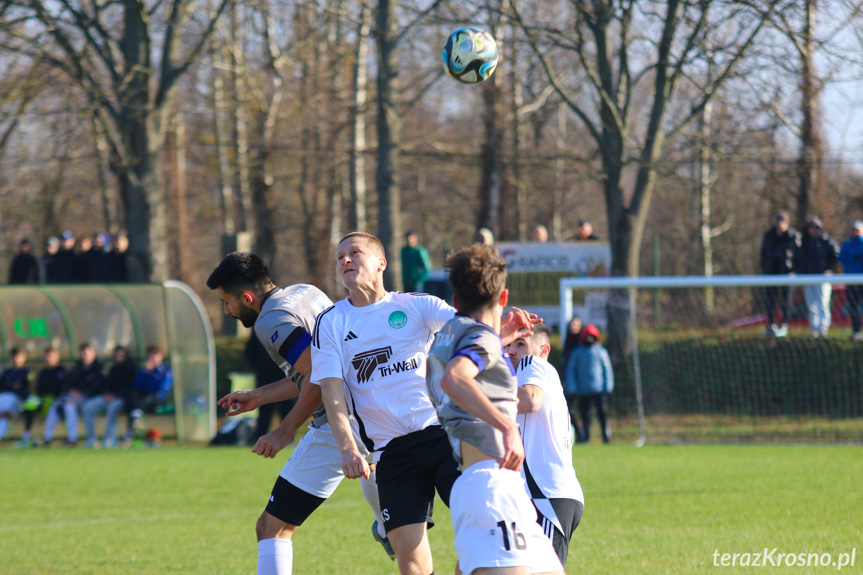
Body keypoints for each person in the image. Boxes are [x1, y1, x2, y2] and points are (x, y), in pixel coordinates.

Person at [312, 232, 537, 575]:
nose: (344, 260)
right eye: (339, 256)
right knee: (412, 564)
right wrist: (347, 447)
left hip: (441, 437)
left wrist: (503, 329)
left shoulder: (417, 305)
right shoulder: (330, 322)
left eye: (354, 252)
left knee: (481, 535)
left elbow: (469, 334)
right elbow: (331, 390)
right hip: (390, 453)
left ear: (381, 263)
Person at [207, 252, 390, 575]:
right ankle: (388, 526)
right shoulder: (305, 291)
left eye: (227, 302)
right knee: (376, 477)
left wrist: (284, 430)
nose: (227, 311)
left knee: (272, 528)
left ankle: (390, 525)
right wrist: (259, 396)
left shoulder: (270, 320)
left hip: (338, 422)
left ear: (248, 297)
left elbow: (320, 375)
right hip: (372, 409)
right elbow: (311, 372)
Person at [425, 243, 564, 575]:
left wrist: (497, 333)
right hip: (492, 486)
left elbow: (462, 360)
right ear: (503, 298)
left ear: (456, 302)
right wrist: (506, 428)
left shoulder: (445, 338)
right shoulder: (480, 341)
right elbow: (455, 379)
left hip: (487, 485)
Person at [506, 324, 585, 567]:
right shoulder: (517, 382)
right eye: (509, 344)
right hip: (536, 497)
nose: (511, 351)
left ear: (543, 351)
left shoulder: (535, 365)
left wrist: (474, 391)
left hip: (547, 497)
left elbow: (530, 400)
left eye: (520, 344)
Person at [43, 343, 105, 446]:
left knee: (69, 405)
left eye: (86, 353)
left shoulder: (98, 369)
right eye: (82, 353)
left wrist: (83, 393)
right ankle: (47, 438)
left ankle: (73, 439)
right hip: (74, 398)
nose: (84, 356)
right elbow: (67, 384)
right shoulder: (77, 368)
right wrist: (68, 391)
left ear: (93, 353)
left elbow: (98, 387)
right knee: (56, 405)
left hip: (90, 398)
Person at [565, 324, 614, 443]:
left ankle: (606, 436)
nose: (590, 339)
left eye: (592, 337)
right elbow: (571, 369)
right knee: (585, 415)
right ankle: (585, 436)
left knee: (602, 414)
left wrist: (608, 385)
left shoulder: (601, 351)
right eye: (588, 336)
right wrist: (572, 387)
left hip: (599, 389)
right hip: (583, 390)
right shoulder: (577, 352)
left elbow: (607, 369)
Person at [245, 334, 297, 445]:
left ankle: (289, 439)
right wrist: (258, 366)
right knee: (264, 411)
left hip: (287, 376)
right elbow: (250, 350)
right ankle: (259, 439)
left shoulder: (288, 328)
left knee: (288, 409)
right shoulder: (260, 329)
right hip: (265, 376)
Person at [82, 345, 135, 448]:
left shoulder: (131, 369)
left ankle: (109, 440)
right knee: (87, 407)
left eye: (122, 354)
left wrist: (116, 395)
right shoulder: (113, 369)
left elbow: (130, 388)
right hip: (108, 397)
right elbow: (107, 384)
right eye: (117, 354)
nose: (119, 356)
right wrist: (107, 393)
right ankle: (91, 439)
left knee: (112, 408)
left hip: (121, 399)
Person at [759, 211, 801, 337]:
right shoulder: (769, 236)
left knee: (786, 301)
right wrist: (765, 268)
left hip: (787, 274)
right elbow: (763, 254)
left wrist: (794, 270)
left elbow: (799, 255)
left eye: (782, 221)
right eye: (778, 221)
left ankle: (784, 325)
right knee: (770, 300)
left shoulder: (793, 236)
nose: (779, 224)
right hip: (771, 273)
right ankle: (771, 324)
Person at [798, 217, 839, 337]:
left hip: (823, 277)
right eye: (810, 228)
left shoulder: (827, 241)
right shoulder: (804, 242)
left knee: (823, 302)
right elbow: (800, 258)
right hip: (809, 277)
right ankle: (814, 328)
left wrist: (827, 268)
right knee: (811, 304)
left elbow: (836, 255)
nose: (812, 230)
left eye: (814, 228)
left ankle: (823, 328)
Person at [21, 346, 68, 447]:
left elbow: (64, 389)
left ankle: (48, 439)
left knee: (54, 407)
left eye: (51, 356)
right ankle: (26, 435)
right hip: (44, 401)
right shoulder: (43, 372)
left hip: (57, 401)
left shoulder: (62, 370)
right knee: (28, 406)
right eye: (46, 356)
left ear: (58, 357)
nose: (48, 358)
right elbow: (38, 391)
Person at [0, 348, 31, 443]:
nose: (15, 359)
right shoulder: (6, 373)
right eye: (13, 357)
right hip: (4, 398)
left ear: (24, 358)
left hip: (19, 401)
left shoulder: (27, 372)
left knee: (5, 414)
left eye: (18, 357)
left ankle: (26, 436)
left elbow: (28, 389)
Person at [839, 219, 863, 342]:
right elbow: (842, 257)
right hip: (850, 279)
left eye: (858, 230)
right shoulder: (847, 244)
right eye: (854, 230)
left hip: (861, 280)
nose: (856, 232)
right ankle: (856, 331)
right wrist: (856, 257)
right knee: (854, 306)